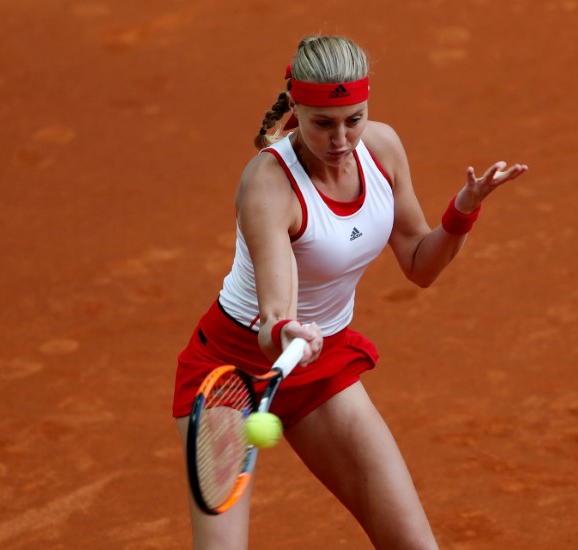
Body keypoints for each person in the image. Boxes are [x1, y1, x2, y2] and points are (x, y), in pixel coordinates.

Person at [172, 34, 528, 549]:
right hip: (231, 373)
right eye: (323, 123)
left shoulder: (381, 149)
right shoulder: (268, 184)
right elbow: (275, 315)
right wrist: (285, 330)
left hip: (322, 365)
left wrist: (463, 210)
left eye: (353, 119)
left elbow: (419, 264)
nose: (342, 138)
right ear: (295, 108)